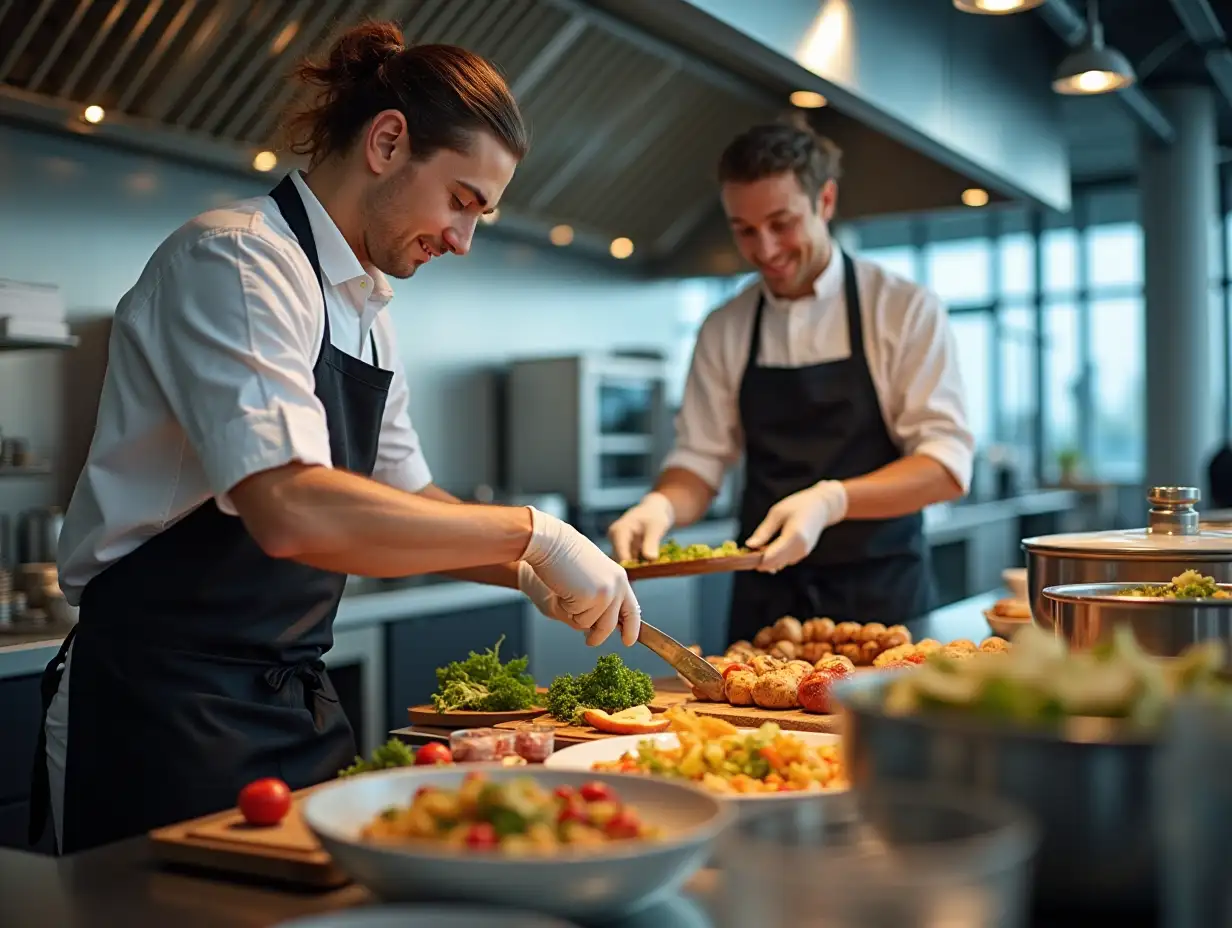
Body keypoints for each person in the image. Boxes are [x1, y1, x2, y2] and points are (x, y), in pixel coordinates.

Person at [31, 21, 640, 854]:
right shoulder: (238, 260)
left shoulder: (365, 309)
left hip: (287, 708)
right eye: (462, 201)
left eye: (482, 217)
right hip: (160, 711)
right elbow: (289, 510)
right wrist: (536, 532)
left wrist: (530, 574)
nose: (463, 239)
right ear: (388, 142)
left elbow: (409, 500)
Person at [609, 119, 973, 644]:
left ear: (825, 201)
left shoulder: (901, 309)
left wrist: (832, 500)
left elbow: (945, 467)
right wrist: (661, 505)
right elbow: (700, 461)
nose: (766, 249)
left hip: (880, 598)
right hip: (765, 600)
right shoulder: (726, 327)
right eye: (744, 230)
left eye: (782, 222)